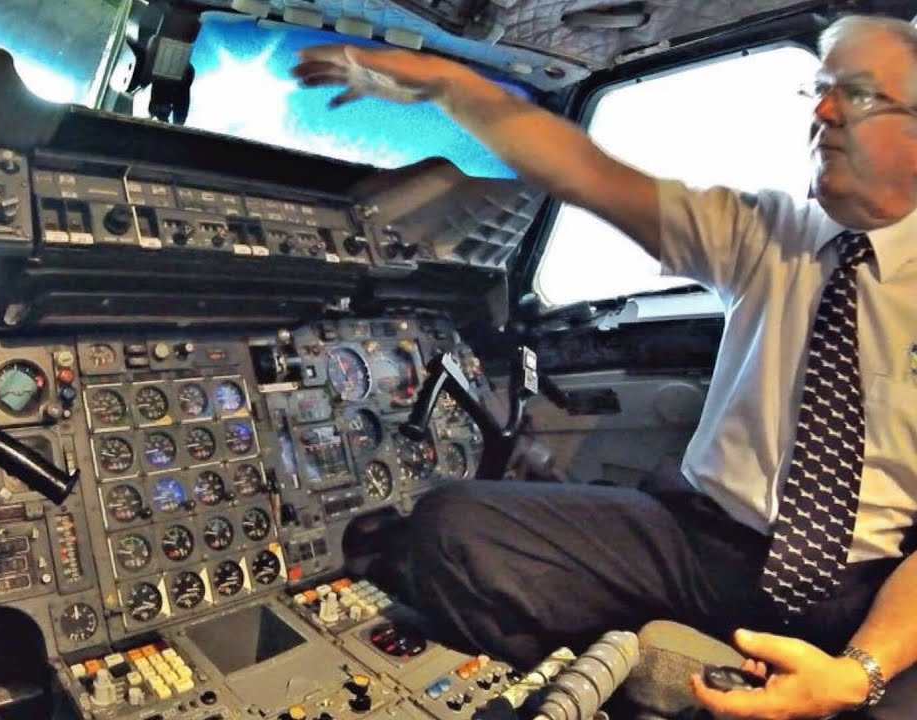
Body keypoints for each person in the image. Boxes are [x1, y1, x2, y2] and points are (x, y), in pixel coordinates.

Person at [292, 13, 917, 720]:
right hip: (693, 539)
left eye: (859, 95)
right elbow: (590, 175)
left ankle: (692, 676)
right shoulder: (772, 235)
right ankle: (645, 668)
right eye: (822, 89)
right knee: (452, 530)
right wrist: (451, 85)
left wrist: (858, 673)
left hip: (863, 586)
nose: (824, 110)